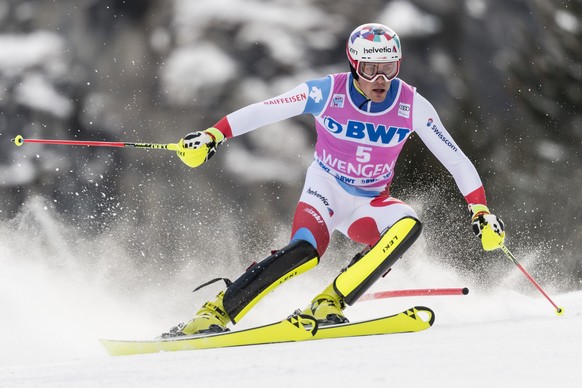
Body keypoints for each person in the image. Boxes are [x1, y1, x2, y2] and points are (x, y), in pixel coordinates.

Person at [162, 23, 505, 337]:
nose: (380, 79)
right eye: (371, 70)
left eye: (389, 69)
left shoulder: (412, 105)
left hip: (370, 202)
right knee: (305, 252)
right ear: (354, 64)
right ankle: (215, 312)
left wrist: (481, 212)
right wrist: (213, 135)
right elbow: (267, 109)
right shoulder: (327, 92)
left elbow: (456, 159)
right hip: (325, 190)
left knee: (408, 224)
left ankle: (330, 303)